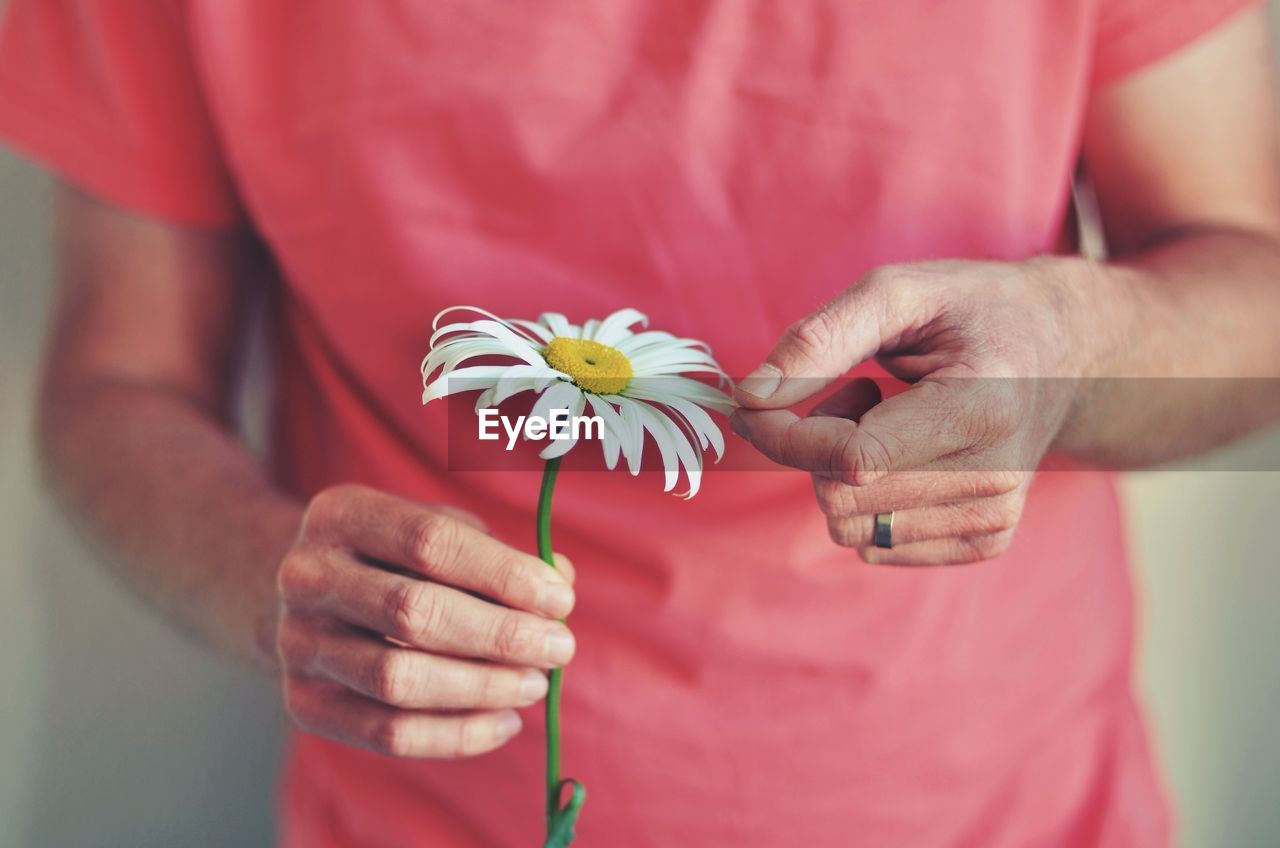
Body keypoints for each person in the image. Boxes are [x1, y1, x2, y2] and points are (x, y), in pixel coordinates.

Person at [2, 1, 1278, 845]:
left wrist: (1070, 350)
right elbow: (115, 379)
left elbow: (1258, 308)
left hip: (1010, 809)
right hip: (426, 815)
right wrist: (271, 581)